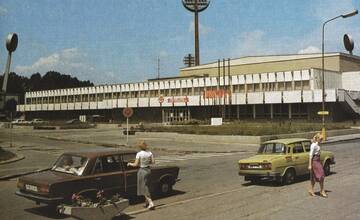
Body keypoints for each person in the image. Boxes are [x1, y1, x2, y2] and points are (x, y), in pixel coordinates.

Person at [127, 141, 155, 209]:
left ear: (140, 147)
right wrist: (147, 161)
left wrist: (129, 164)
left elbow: (135, 164)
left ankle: (151, 203)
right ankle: (147, 203)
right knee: (147, 186)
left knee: (143, 188)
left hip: (142, 171)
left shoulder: (139, 154)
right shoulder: (150, 153)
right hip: (148, 170)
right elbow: (153, 162)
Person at [308, 133, 327, 197]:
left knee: (314, 177)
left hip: (318, 161)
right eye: (320, 139)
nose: (321, 140)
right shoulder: (314, 145)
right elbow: (310, 155)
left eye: (322, 139)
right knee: (321, 175)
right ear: (317, 138)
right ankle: (322, 191)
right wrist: (310, 165)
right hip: (314, 161)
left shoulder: (318, 145)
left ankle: (311, 190)